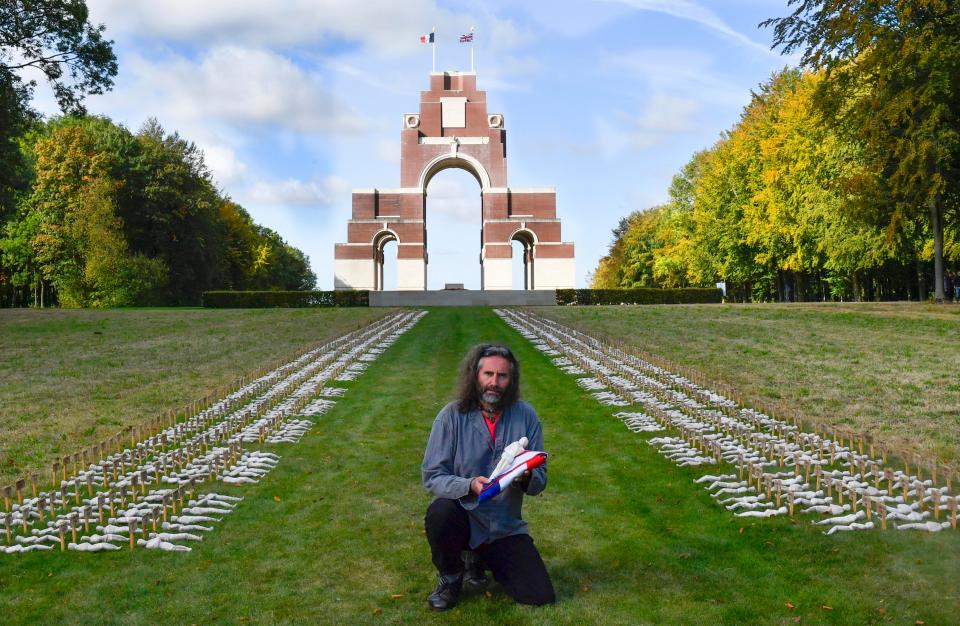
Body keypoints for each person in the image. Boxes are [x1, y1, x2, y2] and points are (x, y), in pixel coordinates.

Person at [421, 343, 555, 611]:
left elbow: (540, 479)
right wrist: (468, 485)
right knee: (440, 512)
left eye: (502, 376)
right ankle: (451, 576)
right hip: (465, 515)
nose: (494, 382)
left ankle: (481, 559)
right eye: (488, 374)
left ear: (511, 380)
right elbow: (432, 476)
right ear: (475, 376)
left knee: (539, 595)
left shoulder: (526, 415)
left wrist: (525, 477)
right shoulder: (451, 416)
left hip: (504, 526)